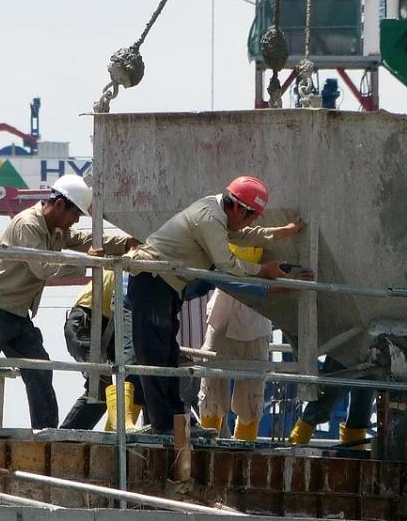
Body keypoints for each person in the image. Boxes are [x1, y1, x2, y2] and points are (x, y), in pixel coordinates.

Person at [0, 174, 138, 428]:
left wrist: (126, 244)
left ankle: (46, 432)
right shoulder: (28, 224)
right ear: (59, 205)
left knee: (40, 369)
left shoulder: (55, 228)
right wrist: (87, 263)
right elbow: (43, 269)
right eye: (75, 214)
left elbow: (84, 241)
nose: (75, 221)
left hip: (17, 314)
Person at [127, 175, 302, 437]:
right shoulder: (209, 218)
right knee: (154, 355)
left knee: (166, 354)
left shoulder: (218, 212)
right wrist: (263, 271)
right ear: (239, 208)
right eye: (251, 216)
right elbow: (227, 265)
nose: (252, 222)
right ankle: (165, 426)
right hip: (153, 282)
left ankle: (176, 423)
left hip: (166, 285)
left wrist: (279, 233)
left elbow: (241, 234)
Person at [198, 234, 305, 441]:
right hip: (225, 312)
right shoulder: (228, 226)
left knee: (251, 396)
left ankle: (243, 451)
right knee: (212, 389)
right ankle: (205, 446)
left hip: (256, 317)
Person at [58, 268, 145, 430]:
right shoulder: (124, 262)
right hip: (85, 321)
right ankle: (69, 436)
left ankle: (113, 430)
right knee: (100, 385)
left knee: (124, 381)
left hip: (109, 326)